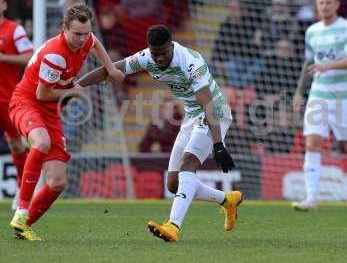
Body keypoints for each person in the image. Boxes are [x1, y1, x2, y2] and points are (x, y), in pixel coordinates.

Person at [77, 25, 244, 243]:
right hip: (192, 116)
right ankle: (227, 200)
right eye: (155, 53)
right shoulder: (146, 58)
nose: (159, 58)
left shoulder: (191, 62)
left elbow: (208, 105)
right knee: (174, 184)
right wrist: (76, 86)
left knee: (187, 166)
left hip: (214, 114)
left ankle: (173, 226)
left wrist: (218, 144)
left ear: (171, 45)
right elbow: (109, 69)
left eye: (164, 52)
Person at [9, 3, 125, 241]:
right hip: (27, 103)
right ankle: (21, 209)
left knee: (57, 182)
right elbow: (42, 94)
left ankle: (24, 226)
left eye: (85, 33)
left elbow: (95, 43)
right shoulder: (56, 54)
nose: (82, 39)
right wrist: (74, 92)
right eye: (77, 34)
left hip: (49, 111)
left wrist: (111, 68)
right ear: (64, 29)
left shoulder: (85, 38)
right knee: (40, 143)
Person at [292, 0, 347, 212]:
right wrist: (299, 91)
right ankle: (311, 198)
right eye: (320, 3)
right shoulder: (312, 31)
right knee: (312, 143)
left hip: (346, 99)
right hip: (319, 95)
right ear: (316, 5)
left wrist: (327, 66)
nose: (324, 6)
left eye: (328, 2)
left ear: (337, 4)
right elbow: (308, 63)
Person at [0, 0, 34, 211]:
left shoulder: (14, 30)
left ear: (3, 5)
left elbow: (29, 57)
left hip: (6, 97)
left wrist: (2, 57)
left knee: (15, 142)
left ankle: (22, 191)